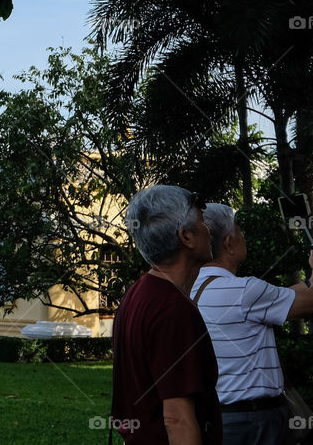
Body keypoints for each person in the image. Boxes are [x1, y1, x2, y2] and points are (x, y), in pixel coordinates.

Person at [191, 203, 313, 445]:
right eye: (240, 230)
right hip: (255, 421)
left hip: (216, 418)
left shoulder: (193, 288)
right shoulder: (244, 290)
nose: (244, 237)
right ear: (228, 243)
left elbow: (286, 297)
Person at [112, 185, 222, 445]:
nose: (209, 229)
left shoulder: (137, 295)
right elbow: (178, 421)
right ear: (186, 237)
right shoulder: (173, 310)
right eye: (202, 221)